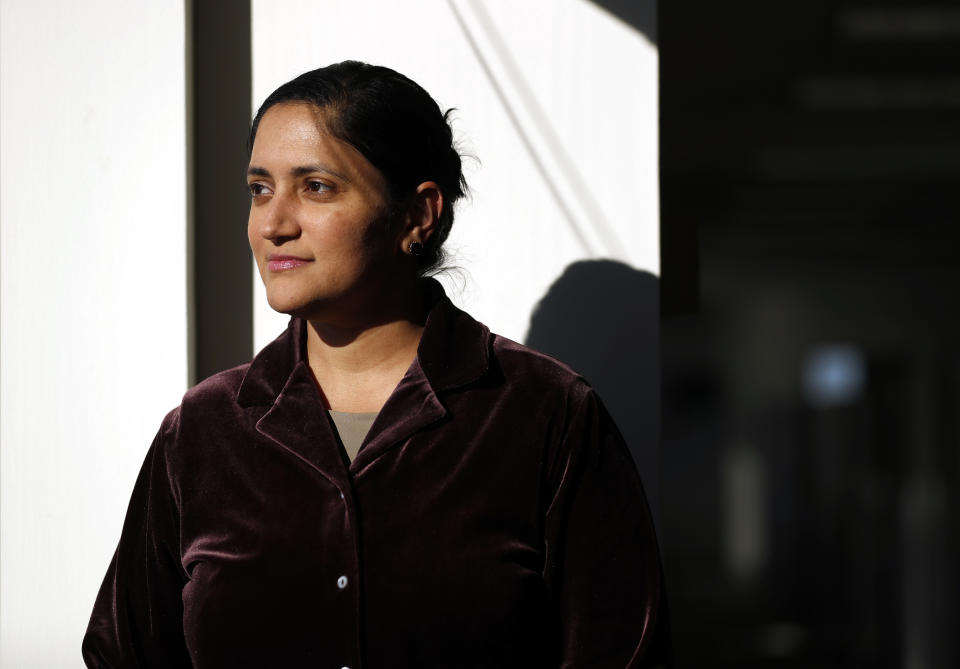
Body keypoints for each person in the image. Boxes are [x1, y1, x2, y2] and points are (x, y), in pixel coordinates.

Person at [83, 60, 672, 668]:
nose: (273, 224)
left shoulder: (545, 413)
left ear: (418, 214)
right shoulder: (203, 431)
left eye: (316, 187)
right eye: (260, 188)